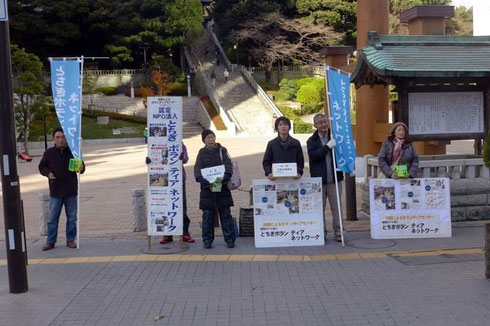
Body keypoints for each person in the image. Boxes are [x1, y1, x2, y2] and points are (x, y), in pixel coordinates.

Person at [38, 127, 85, 250]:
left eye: (63, 137)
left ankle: (70, 240)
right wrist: (48, 173)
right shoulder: (49, 153)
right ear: (53, 139)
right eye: (57, 137)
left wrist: (81, 166)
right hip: (55, 191)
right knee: (53, 218)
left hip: (71, 190)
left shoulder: (73, 151)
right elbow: (41, 167)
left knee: (72, 217)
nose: (60, 140)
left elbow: (82, 169)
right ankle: (50, 241)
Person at [194, 130, 236, 249]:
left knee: (225, 214)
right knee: (207, 215)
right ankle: (207, 240)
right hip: (207, 189)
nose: (210, 140)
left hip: (222, 187)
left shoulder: (222, 150)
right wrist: (200, 178)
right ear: (204, 140)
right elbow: (197, 168)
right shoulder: (201, 153)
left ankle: (229, 239)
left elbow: (228, 165)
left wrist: (227, 175)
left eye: (212, 137)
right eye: (207, 138)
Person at [306, 113, 343, 242]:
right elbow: (314, 155)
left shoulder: (335, 136)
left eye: (325, 121)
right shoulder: (311, 141)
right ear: (315, 125)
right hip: (319, 180)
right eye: (320, 122)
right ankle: (321, 232)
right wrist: (327, 146)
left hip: (334, 179)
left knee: (336, 207)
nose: (323, 124)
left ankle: (339, 232)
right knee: (319, 208)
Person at [156, 143, 195, 244]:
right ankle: (167, 233)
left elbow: (186, 159)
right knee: (164, 207)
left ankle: (184, 232)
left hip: (177, 180)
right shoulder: (157, 142)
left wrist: (182, 157)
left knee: (181, 207)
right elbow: (154, 159)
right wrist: (149, 161)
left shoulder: (179, 143)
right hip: (162, 179)